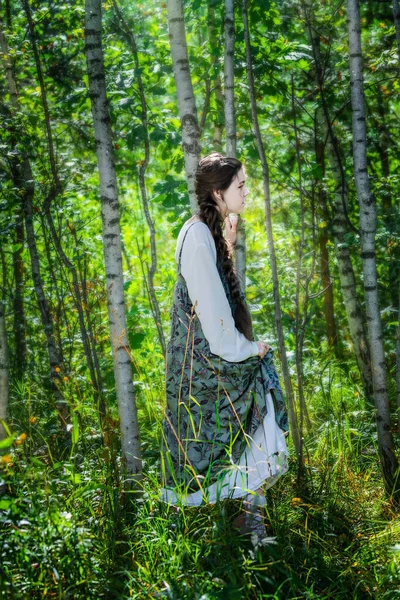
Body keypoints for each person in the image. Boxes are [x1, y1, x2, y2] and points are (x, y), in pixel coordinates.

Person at [160, 152, 289, 545]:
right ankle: (247, 519)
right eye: (241, 186)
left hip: (210, 357)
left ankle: (249, 517)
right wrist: (251, 350)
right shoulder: (197, 236)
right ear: (218, 192)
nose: (247, 193)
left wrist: (228, 242)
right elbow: (216, 328)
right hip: (202, 365)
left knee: (261, 391)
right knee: (264, 392)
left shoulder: (208, 233)